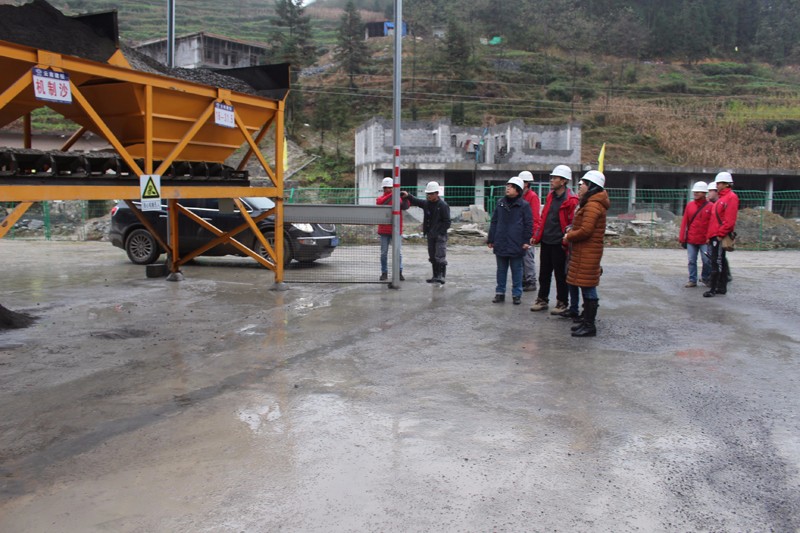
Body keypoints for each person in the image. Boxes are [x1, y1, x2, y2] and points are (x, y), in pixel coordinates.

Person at [563, 170, 610, 337]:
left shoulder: (593, 205)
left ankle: (589, 325)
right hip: (585, 251)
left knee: (588, 286)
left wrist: (569, 236)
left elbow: (586, 230)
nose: (580, 186)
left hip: (588, 252)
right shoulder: (591, 203)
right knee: (585, 285)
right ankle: (586, 321)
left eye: (583, 184)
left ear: (591, 186)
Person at [530, 164, 579, 314]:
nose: (551, 180)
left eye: (555, 178)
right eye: (551, 178)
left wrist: (566, 239)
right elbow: (544, 217)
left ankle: (562, 302)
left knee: (560, 275)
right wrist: (537, 236)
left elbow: (572, 223)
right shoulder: (550, 196)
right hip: (546, 240)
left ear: (563, 181)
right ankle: (542, 300)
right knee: (544, 273)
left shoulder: (571, 200)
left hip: (560, 243)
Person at [487, 176, 533, 305]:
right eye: (507, 186)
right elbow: (494, 221)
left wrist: (526, 241)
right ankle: (500, 293)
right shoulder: (500, 203)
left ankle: (516, 294)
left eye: (511, 187)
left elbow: (528, 224)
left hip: (516, 243)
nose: (508, 188)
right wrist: (491, 238)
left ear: (518, 190)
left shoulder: (524, 205)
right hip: (501, 241)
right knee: (501, 270)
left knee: (517, 270)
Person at [402, 181, 451, 284]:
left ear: (437, 193)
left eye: (431, 194)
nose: (429, 196)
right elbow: (417, 201)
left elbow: (447, 222)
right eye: (428, 194)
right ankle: (435, 276)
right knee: (432, 256)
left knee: (440, 256)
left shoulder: (443, 205)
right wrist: (408, 196)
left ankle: (441, 276)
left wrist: (440, 232)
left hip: (439, 236)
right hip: (430, 234)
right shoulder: (427, 204)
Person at [704, 171, 739, 297]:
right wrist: (709, 236)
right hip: (715, 235)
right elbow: (713, 221)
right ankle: (721, 287)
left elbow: (729, 220)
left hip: (719, 235)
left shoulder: (731, 198)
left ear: (726, 184)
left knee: (716, 261)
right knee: (720, 261)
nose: (717, 185)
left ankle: (714, 288)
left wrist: (720, 234)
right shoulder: (721, 199)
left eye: (719, 183)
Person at [679, 181, 712, 287]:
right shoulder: (690, 206)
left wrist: (710, 237)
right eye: (695, 191)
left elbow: (712, 224)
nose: (696, 193)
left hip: (705, 240)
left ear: (704, 193)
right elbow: (685, 222)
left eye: (699, 191)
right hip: (691, 239)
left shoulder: (710, 206)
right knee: (691, 260)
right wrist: (682, 237)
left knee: (706, 260)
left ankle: (705, 277)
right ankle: (692, 280)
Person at [376, 177, 410, 281]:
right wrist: (394, 194)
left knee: (398, 253)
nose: (389, 189)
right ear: (383, 188)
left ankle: (399, 272)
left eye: (390, 187)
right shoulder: (381, 198)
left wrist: (405, 197)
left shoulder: (398, 198)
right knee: (383, 253)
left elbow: (405, 206)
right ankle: (384, 272)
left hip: (396, 230)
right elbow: (380, 203)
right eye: (386, 187)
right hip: (384, 230)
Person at [519, 171, 541, 292]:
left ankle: (530, 281)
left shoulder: (532, 197)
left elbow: (535, 218)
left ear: (526, 184)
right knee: (521, 258)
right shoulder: (520, 196)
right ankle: (524, 279)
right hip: (520, 232)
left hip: (528, 233)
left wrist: (532, 235)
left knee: (528, 258)